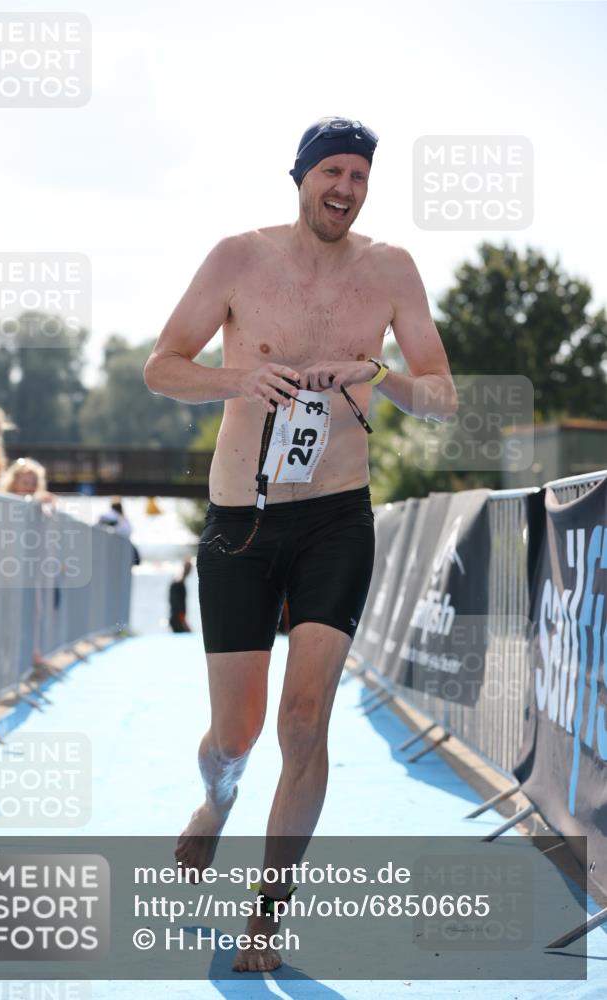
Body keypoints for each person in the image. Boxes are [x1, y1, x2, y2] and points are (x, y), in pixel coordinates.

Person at [143, 116, 458, 973]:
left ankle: (267, 915)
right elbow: (162, 366)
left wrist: (378, 373)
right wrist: (239, 378)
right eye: (332, 172)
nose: (345, 189)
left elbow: (442, 397)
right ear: (301, 177)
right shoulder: (236, 258)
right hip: (241, 521)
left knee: (305, 720)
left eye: (359, 175)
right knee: (235, 735)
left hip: (335, 519)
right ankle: (216, 803)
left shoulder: (391, 270)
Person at [169, 558, 193, 632]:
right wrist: (183, 621)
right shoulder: (179, 583)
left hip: (177, 618)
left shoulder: (178, 581)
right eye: (189, 568)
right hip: (177, 619)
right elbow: (177, 604)